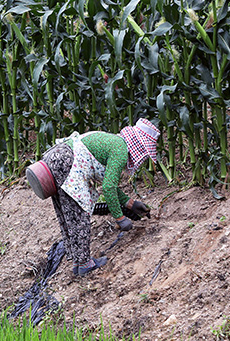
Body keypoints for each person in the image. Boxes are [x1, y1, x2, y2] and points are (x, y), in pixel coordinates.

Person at [27, 118, 160, 276]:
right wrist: (120, 218)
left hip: (57, 160)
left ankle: (77, 260)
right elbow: (108, 187)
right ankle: (84, 264)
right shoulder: (121, 151)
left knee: (68, 214)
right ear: (139, 145)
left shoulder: (113, 141)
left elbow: (108, 184)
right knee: (79, 214)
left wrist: (131, 204)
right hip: (67, 164)